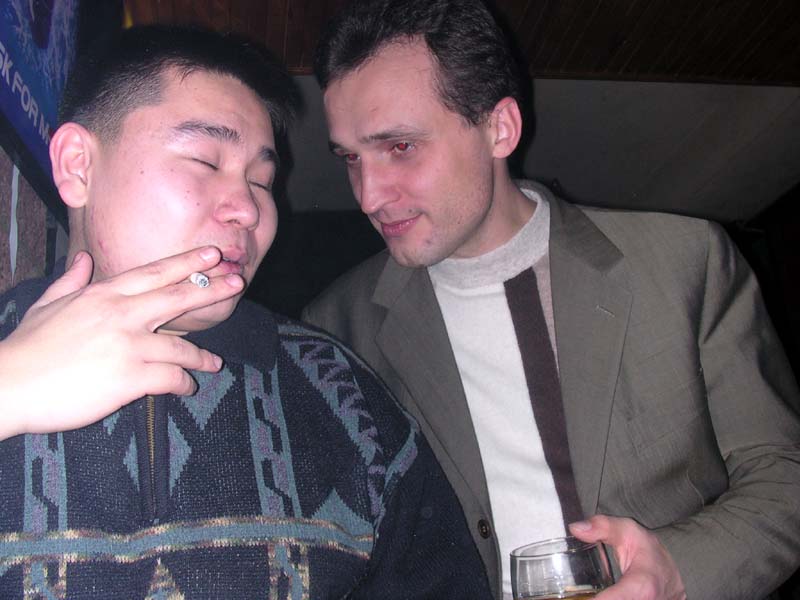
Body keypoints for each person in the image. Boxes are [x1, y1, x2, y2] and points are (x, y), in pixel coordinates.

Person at [302, 0, 800, 598]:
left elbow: (785, 479)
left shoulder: (684, 262)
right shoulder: (335, 331)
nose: (369, 196)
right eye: (351, 158)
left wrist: (677, 569)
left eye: (401, 147)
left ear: (500, 128)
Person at [0, 25, 493, 599]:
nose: (248, 209)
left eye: (261, 180)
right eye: (205, 161)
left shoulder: (344, 394)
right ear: (77, 166)